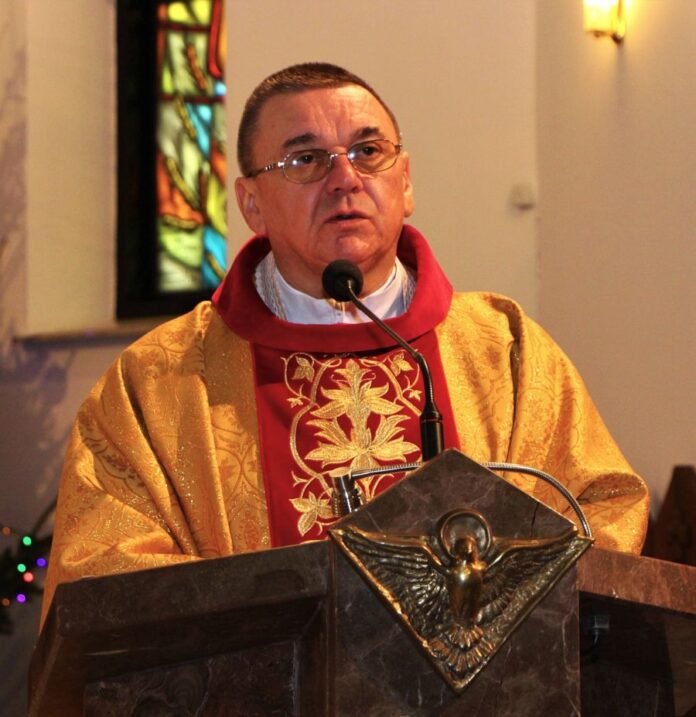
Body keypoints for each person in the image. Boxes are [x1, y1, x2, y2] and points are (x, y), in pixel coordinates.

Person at [41, 63, 649, 625]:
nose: (345, 179)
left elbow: (602, 507)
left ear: (405, 182)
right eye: (306, 159)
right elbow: (103, 579)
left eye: (368, 151)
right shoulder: (157, 382)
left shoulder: (505, 351)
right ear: (251, 204)